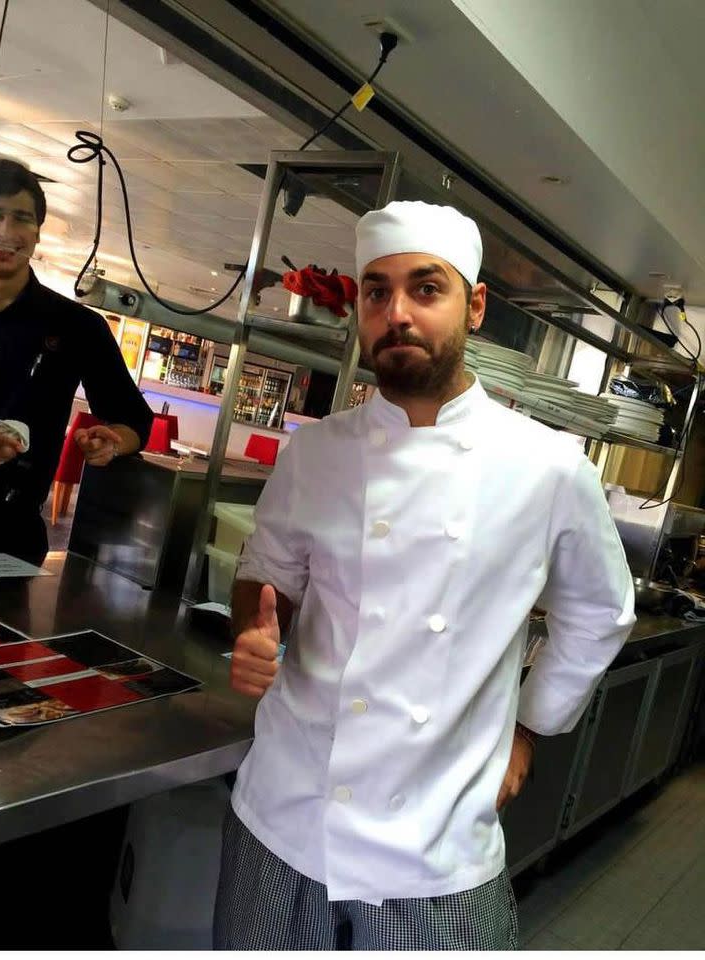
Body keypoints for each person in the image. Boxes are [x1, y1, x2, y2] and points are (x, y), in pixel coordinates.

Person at [214, 201, 636, 950]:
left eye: (425, 288)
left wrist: (529, 732)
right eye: (377, 291)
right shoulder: (314, 453)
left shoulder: (549, 470)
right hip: (285, 813)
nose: (396, 313)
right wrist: (254, 630)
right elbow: (266, 573)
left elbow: (599, 613)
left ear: (474, 305)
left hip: (437, 845)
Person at [0, 157, 153, 563]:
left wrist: (113, 441)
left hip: (11, 546)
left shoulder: (78, 326)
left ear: (37, 232)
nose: (6, 231)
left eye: (22, 218)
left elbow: (135, 419)